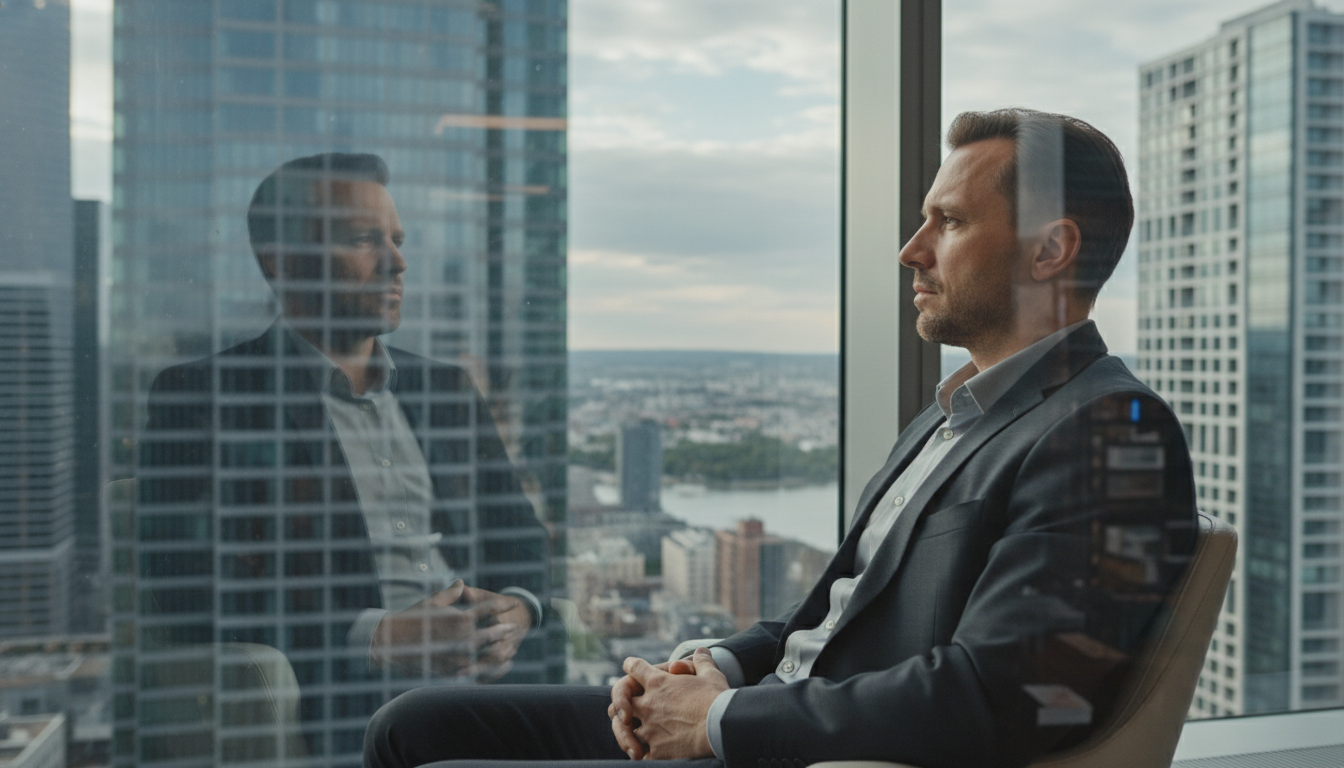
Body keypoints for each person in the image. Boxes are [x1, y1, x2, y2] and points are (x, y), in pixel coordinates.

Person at [362, 108, 1197, 768]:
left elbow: (1006, 696)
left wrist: (718, 720)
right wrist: (709, 668)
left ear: (1051, 250)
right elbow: (831, 616)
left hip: (809, 751)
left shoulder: (1110, 428)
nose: (910, 251)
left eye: (946, 222)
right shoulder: (953, 415)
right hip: (768, 713)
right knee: (415, 724)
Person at [139, 153, 550, 700]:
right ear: (281, 261)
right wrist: (378, 638)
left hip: (494, 687)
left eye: (397, 241)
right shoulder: (205, 398)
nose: (397, 263)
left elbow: (521, 537)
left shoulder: (447, 389)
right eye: (363, 240)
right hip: (350, 700)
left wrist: (516, 611)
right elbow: (188, 584)